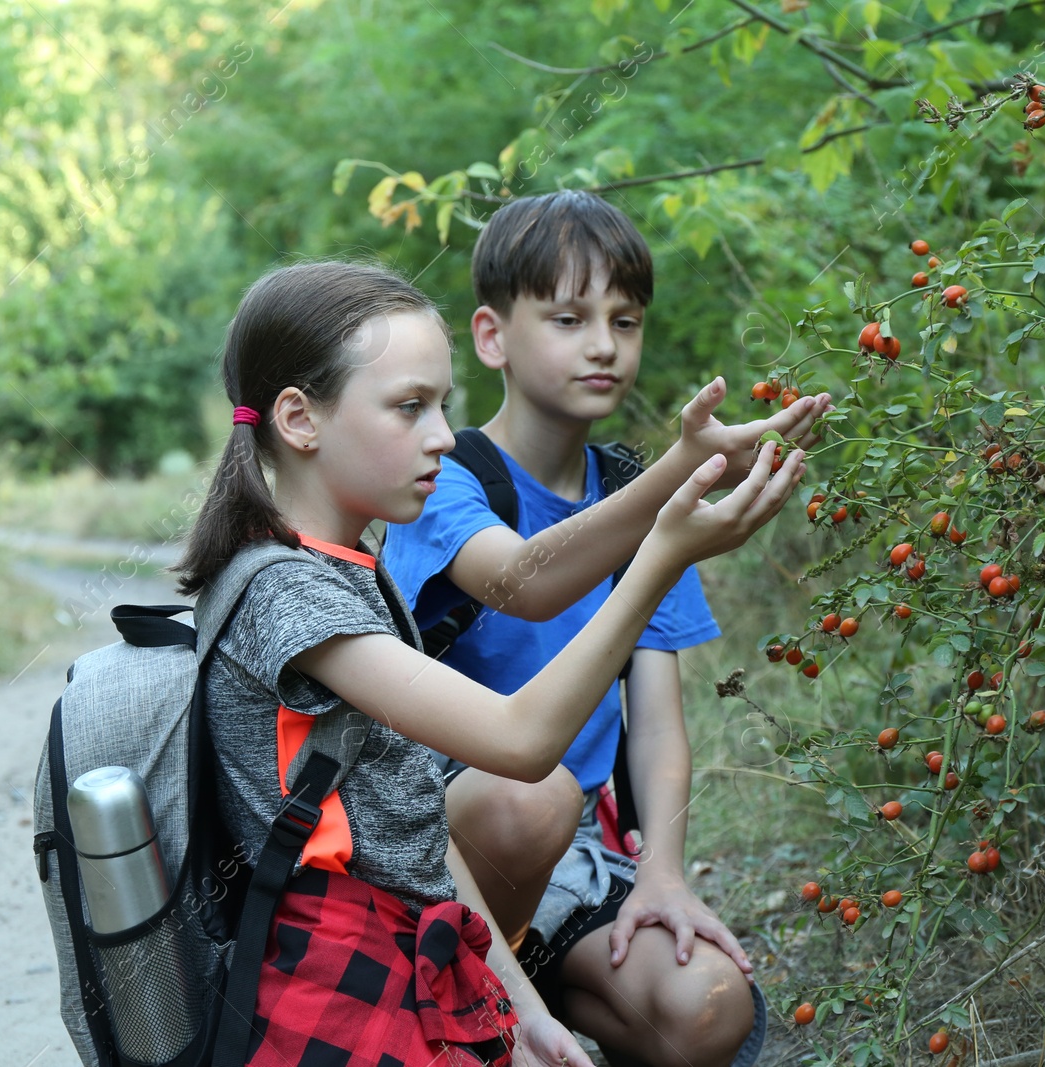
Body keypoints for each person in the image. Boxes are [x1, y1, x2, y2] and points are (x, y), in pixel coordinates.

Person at [172, 259, 806, 1067]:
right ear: (300, 418)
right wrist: (663, 553)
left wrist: (518, 1004)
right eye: (409, 407)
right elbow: (519, 741)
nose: (441, 435)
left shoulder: (343, 570)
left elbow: (417, 838)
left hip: (396, 947)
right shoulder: (292, 596)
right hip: (332, 1001)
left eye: (442, 405)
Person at [382, 191, 823, 1067]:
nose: (603, 344)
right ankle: (471, 1008)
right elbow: (524, 581)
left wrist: (661, 871)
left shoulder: (637, 498)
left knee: (706, 1007)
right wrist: (678, 473)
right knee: (524, 794)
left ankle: (536, 995)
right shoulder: (442, 477)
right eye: (569, 317)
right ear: (492, 335)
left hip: (575, 854)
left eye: (625, 321)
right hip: (446, 842)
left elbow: (657, 724)